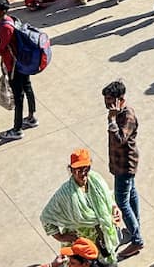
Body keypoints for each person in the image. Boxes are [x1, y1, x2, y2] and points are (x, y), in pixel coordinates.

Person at [39, 148, 121, 264]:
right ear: (71, 170)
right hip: (81, 246)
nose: (83, 173)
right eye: (78, 169)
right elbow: (46, 217)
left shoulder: (96, 180)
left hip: (103, 240)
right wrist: (60, 237)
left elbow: (107, 197)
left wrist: (114, 208)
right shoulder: (66, 193)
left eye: (86, 168)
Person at [101, 80, 143, 259]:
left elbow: (119, 140)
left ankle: (137, 240)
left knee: (122, 202)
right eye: (106, 99)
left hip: (125, 166)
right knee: (131, 195)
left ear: (120, 99)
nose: (107, 103)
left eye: (110, 99)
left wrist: (111, 121)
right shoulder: (117, 113)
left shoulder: (127, 116)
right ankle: (135, 228)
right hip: (120, 164)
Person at [0, 0, 37, 141]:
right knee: (27, 87)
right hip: (22, 62)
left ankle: (17, 129)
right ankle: (31, 117)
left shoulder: (5, 27)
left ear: (3, 11)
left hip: (14, 65)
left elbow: (2, 46)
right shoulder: (11, 20)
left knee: (18, 96)